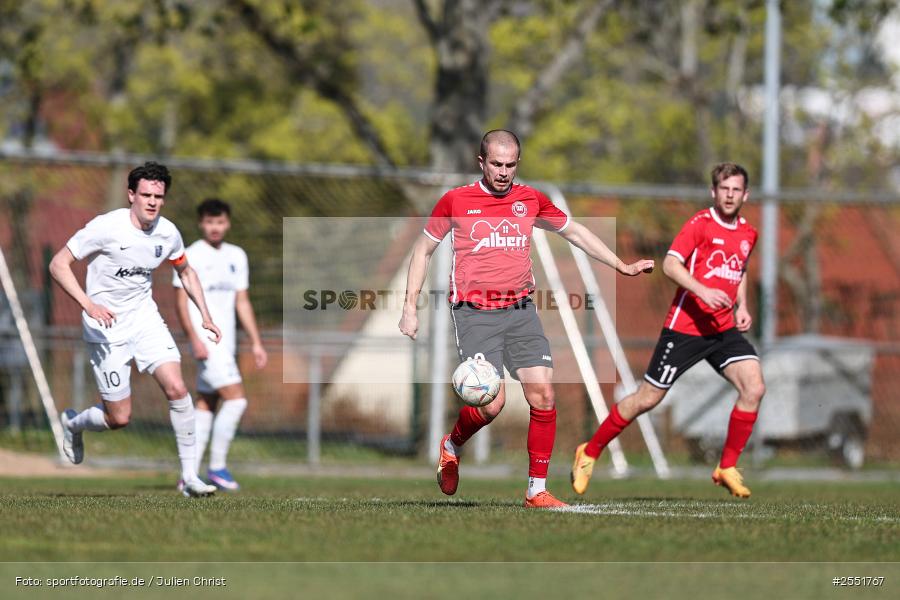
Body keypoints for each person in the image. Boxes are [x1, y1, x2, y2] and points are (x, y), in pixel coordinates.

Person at [399, 130, 654, 509]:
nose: (504, 172)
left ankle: (536, 491)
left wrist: (621, 265)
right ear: (481, 161)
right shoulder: (456, 200)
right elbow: (422, 252)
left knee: (544, 394)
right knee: (492, 405)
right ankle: (452, 445)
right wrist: (409, 307)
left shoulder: (529, 199)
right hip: (475, 314)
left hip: (521, 311)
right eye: (497, 164)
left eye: (511, 164)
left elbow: (576, 232)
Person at [571, 162, 765, 498]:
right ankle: (589, 453)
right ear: (713, 191)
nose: (730, 195)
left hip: (723, 330)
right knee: (648, 398)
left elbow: (741, 269)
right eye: (724, 188)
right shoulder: (700, 225)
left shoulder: (748, 233)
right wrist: (702, 291)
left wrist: (742, 305)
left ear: (745, 194)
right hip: (686, 328)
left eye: (736, 190)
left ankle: (727, 466)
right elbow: (671, 264)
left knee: (754, 387)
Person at [50, 161, 221, 498]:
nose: (152, 202)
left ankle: (189, 477)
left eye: (158, 196)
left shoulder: (168, 233)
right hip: (105, 327)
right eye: (146, 194)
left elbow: (185, 271)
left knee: (176, 387)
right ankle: (73, 423)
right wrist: (88, 303)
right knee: (119, 417)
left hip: (145, 320)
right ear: (131, 195)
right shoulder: (105, 227)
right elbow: (58, 264)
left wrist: (205, 314)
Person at [172, 198, 267, 491]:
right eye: (210, 222)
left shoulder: (237, 256)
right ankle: (217, 468)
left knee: (206, 403)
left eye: (220, 222)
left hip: (227, 344)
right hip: (206, 342)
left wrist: (255, 341)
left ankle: (189, 475)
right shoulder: (190, 254)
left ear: (228, 223)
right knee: (237, 399)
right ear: (201, 223)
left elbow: (242, 301)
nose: (215, 227)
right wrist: (194, 339)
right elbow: (180, 300)